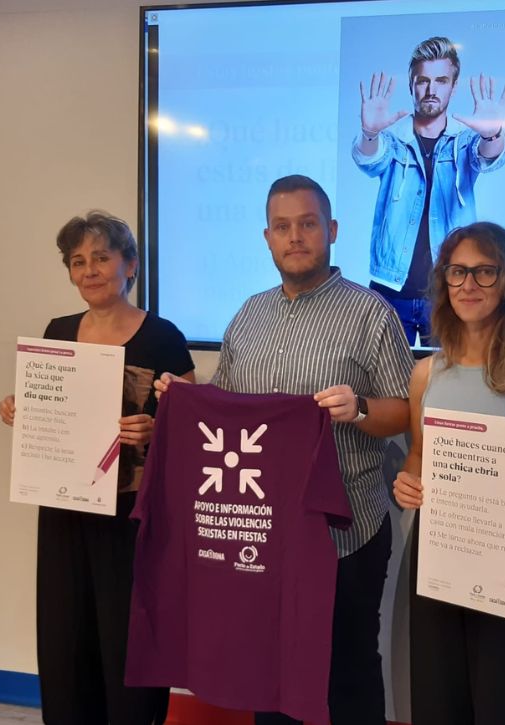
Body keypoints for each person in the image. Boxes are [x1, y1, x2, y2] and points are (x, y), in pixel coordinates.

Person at [156, 175, 414, 725]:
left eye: (308, 224)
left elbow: (405, 410)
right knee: (268, 666)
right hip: (262, 534)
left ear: (332, 230)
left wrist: (359, 408)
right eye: (282, 226)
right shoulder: (249, 315)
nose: (295, 237)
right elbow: (226, 405)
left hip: (345, 532)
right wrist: (184, 398)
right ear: (267, 238)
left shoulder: (372, 314)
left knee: (346, 669)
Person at [0, 211, 195, 724]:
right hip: (63, 513)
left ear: (130, 265)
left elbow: (196, 428)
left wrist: (156, 430)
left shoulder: (163, 337)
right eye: (77, 261)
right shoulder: (57, 331)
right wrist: (22, 409)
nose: (89, 271)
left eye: (102, 258)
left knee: (127, 641)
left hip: (131, 521)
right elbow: (53, 409)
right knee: (66, 639)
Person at [392, 221, 505, 725]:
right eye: (457, 272)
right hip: (439, 558)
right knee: (437, 704)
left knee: (503, 706)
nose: (468, 284)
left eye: (484, 272)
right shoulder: (426, 374)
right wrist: (407, 484)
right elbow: (418, 459)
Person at [354, 36, 505, 346]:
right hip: (389, 289)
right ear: (411, 84)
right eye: (423, 80)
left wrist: (493, 134)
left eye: (441, 81)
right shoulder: (392, 138)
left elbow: (489, 157)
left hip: (450, 292)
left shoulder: (465, 139)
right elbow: (369, 159)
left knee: (450, 375)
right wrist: (369, 133)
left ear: (453, 86)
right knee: (384, 374)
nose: (431, 90)